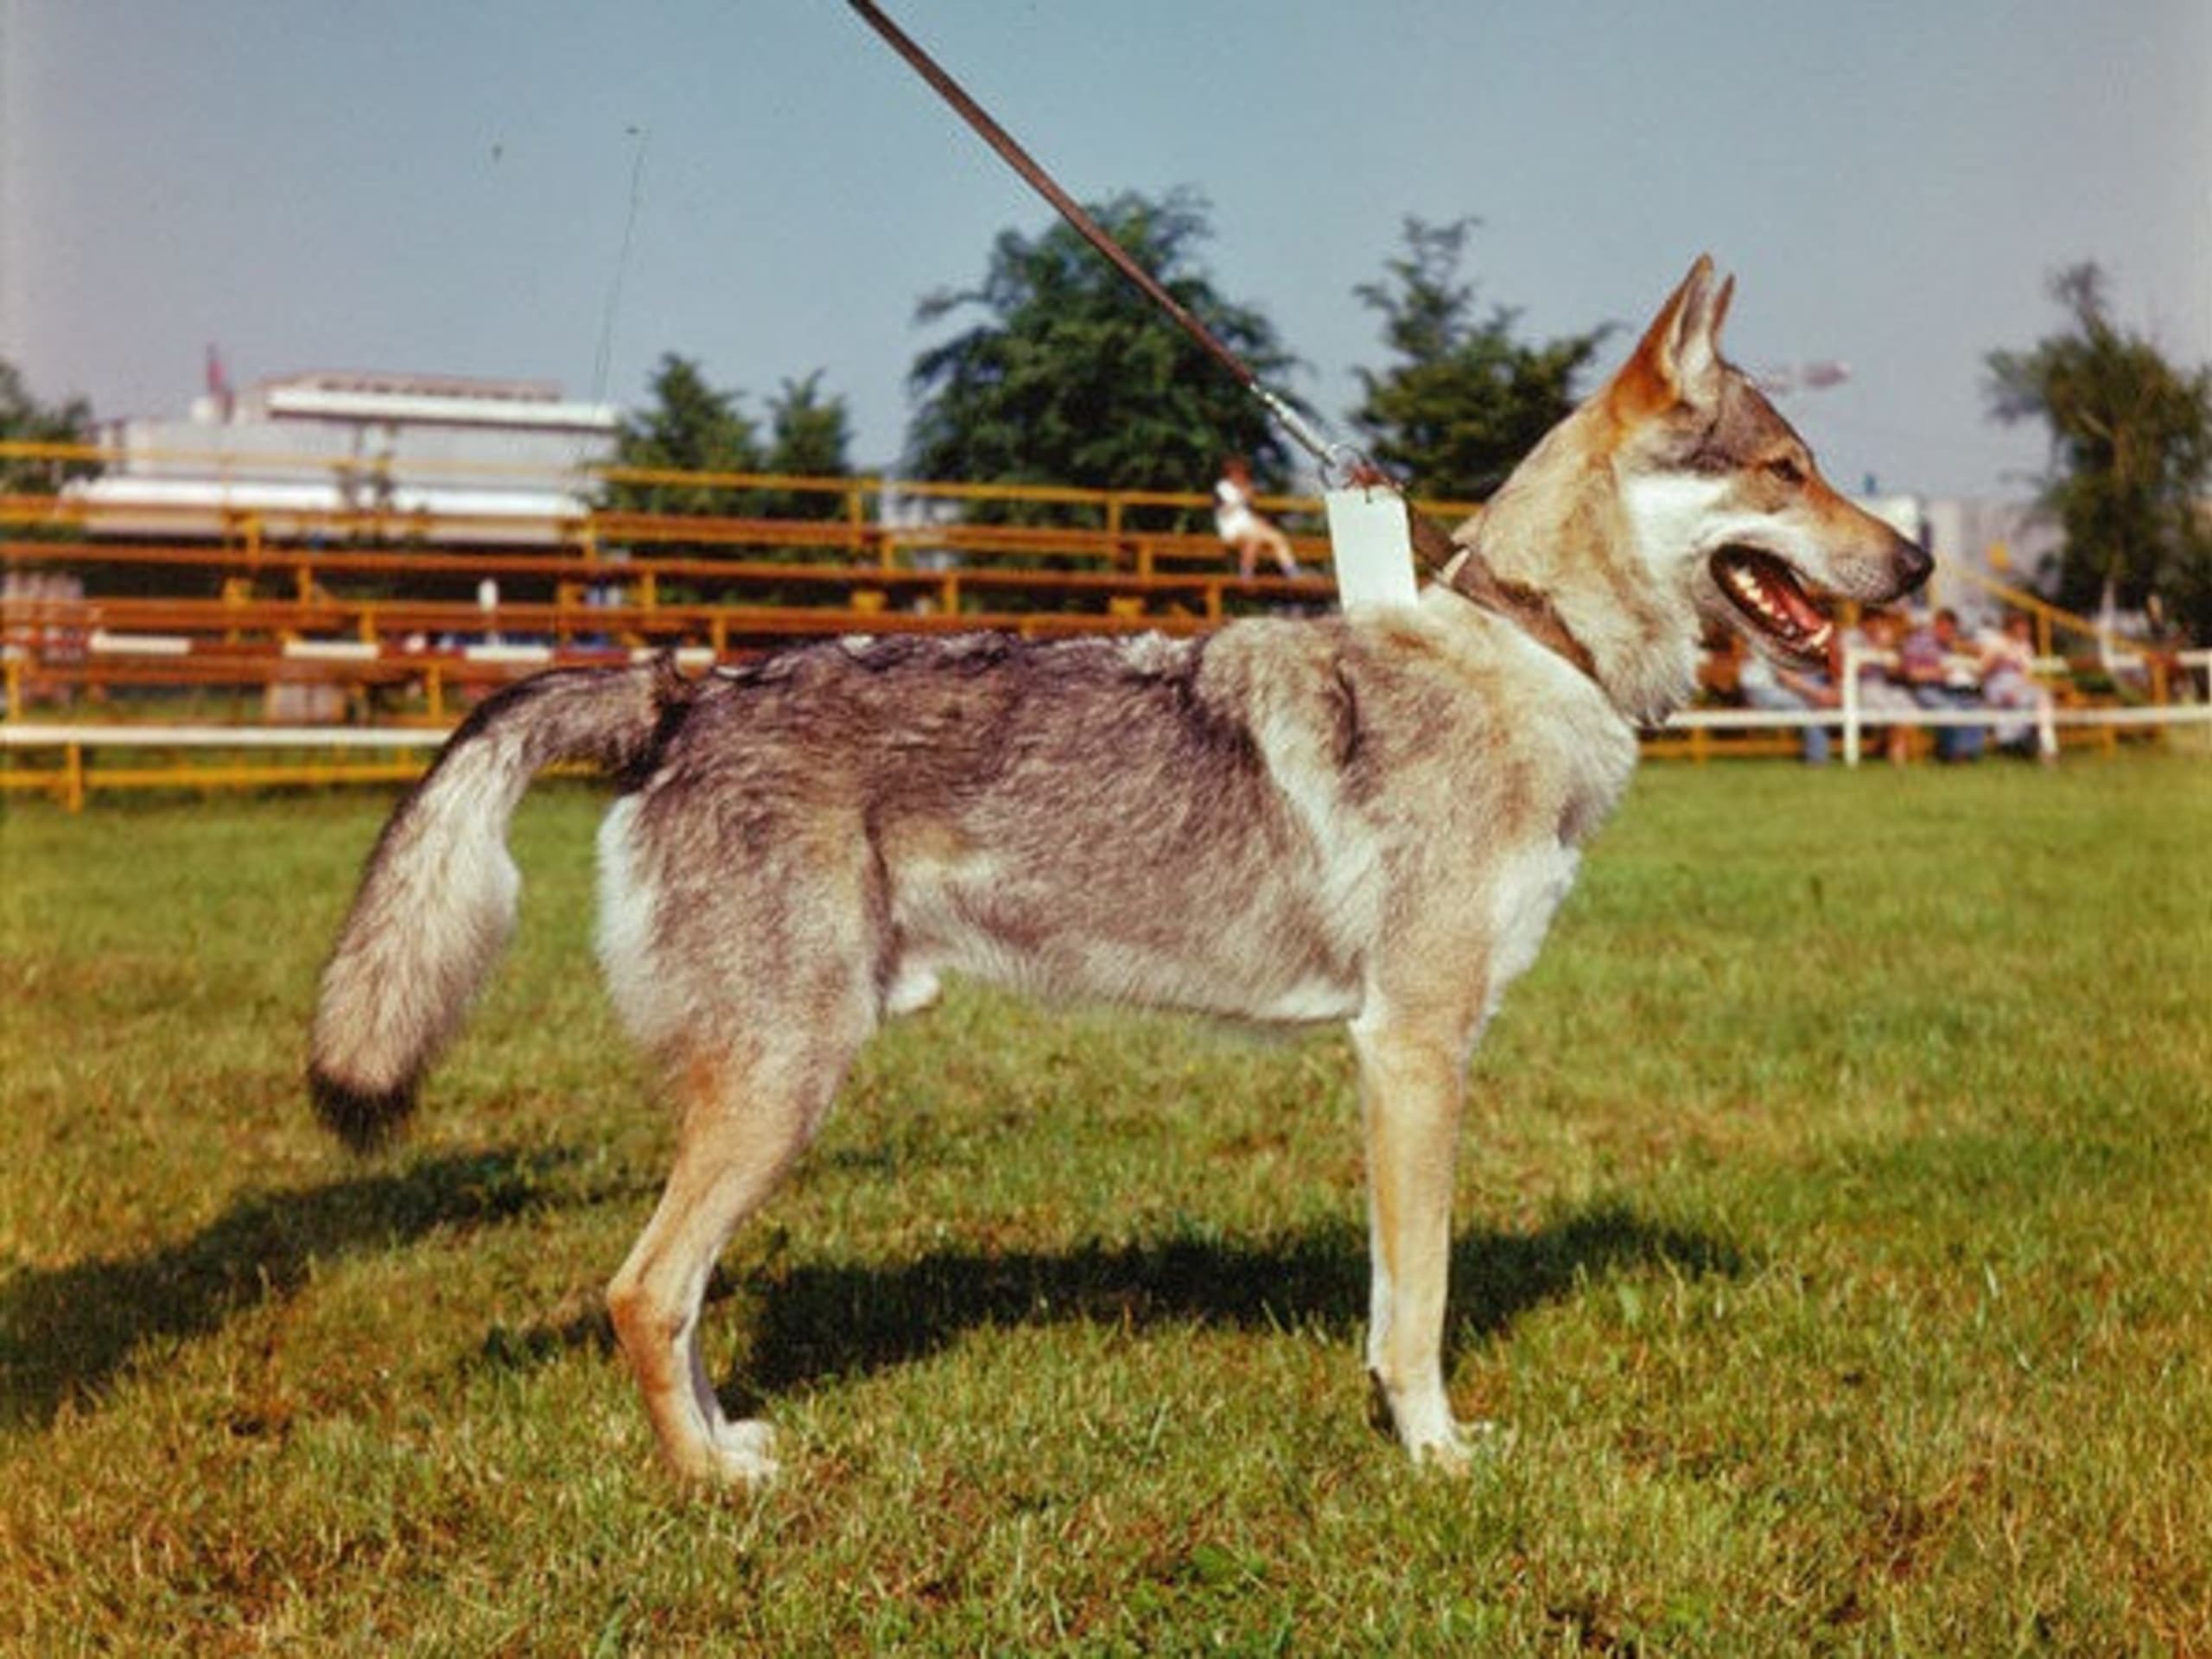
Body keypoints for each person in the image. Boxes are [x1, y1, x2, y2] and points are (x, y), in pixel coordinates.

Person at [1898, 607, 1983, 761]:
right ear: (1936, 624)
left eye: (1952, 630)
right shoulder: (1919, 642)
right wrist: (1939, 673)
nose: (1949, 633)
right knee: (1949, 709)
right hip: (1924, 689)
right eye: (1946, 628)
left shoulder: (1950, 645)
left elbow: (1979, 653)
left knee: (1974, 706)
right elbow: (1911, 674)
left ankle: (1967, 753)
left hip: (1949, 689)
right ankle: (1950, 753)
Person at [1978, 611, 2059, 763]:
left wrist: (2023, 687)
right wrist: (1997, 661)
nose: (2026, 631)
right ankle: (2041, 746)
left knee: (2043, 697)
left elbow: (2026, 675)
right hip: (1998, 686)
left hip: (2018, 688)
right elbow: (1982, 672)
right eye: (2022, 627)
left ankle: (2048, 747)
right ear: (2012, 628)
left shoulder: (2026, 647)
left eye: (2026, 627)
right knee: (2041, 699)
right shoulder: (1997, 644)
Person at [1737, 641, 1838, 764]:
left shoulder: (1761, 637)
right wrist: (1818, 695)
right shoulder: (1768, 642)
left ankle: (1818, 754)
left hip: (1761, 690)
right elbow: (1787, 677)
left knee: (1810, 698)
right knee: (1808, 707)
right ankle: (1818, 757)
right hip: (1762, 692)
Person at [1213, 456, 1301, 582]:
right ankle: (1246, 575)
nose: (1241, 476)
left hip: (1249, 527)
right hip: (1231, 530)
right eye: (1237, 473)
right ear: (1231, 474)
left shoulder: (1246, 488)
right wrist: (1241, 498)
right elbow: (1223, 512)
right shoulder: (1222, 488)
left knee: (1277, 537)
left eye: (1243, 473)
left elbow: (1249, 513)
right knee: (1253, 537)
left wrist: (1259, 520)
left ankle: (1293, 573)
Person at [1846, 609, 1916, 765]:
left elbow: (1896, 671)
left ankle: (1893, 749)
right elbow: (1854, 669)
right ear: (1864, 623)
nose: (1877, 626)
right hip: (1860, 686)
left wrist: (1891, 653)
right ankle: (1895, 754)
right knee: (1888, 708)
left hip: (1886, 685)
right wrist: (1877, 650)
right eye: (1874, 622)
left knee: (1906, 704)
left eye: (1880, 622)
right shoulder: (1851, 638)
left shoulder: (1887, 638)